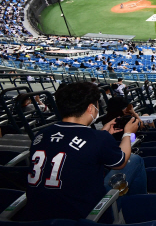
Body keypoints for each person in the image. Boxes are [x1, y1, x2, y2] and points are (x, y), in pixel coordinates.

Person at [23, 82, 144, 221]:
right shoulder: (98, 138)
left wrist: (102, 133)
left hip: (38, 215)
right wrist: (127, 134)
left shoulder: (40, 135)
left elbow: (71, 147)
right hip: (84, 215)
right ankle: (139, 210)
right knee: (135, 160)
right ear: (91, 108)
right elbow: (121, 162)